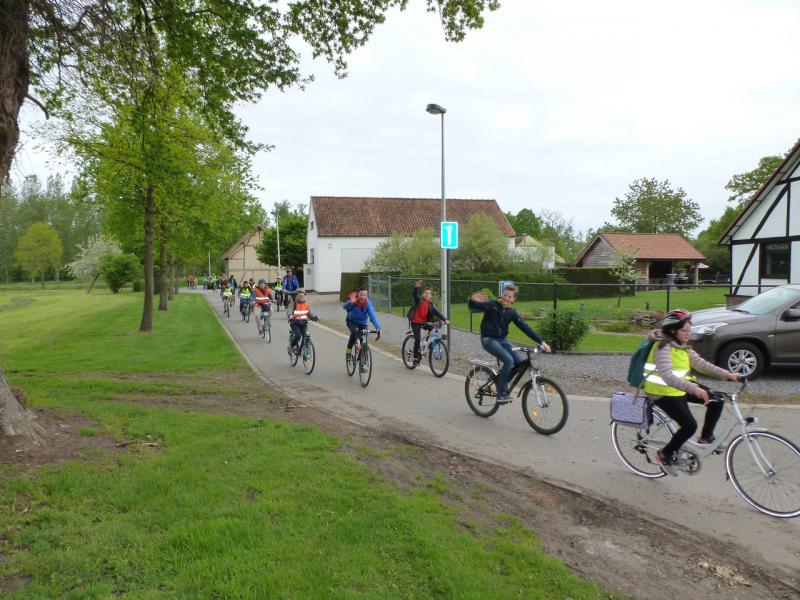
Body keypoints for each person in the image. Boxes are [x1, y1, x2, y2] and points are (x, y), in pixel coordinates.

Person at [643, 308, 740, 476]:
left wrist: (727, 374)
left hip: (679, 388)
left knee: (716, 400)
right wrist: (694, 389)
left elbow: (700, 364)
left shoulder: (682, 346)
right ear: (673, 330)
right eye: (684, 331)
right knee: (689, 425)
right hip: (661, 392)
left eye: (690, 330)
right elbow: (667, 376)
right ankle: (664, 454)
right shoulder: (662, 347)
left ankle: (706, 438)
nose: (688, 334)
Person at [468, 285, 551, 403]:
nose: (506, 298)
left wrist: (541, 342)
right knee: (508, 360)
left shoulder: (511, 312)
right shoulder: (492, 305)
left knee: (521, 362)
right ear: (502, 294)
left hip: (502, 340)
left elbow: (525, 328)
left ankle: (502, 380)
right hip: (488, 339)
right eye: (505, 295)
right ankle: (502, 393)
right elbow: (476, 306)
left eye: (510, 296)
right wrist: (472, 300)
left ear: (514, 299)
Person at [406, 280, 449, 366]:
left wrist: (445, 320)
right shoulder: (419, 300)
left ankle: (425, 342)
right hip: (415, 322)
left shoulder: (430, 304)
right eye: (425, 293)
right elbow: (415, 295)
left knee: (433, 329)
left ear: (430, 296)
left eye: (429, 293)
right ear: (423, 294)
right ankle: (415, 358)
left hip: (424, 322)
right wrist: (417, 286)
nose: (427, 294)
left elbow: (438, 313)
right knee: (417, 339)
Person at [343, 288, 382, 359]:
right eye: (361, 295)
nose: (363, 297)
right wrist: (351, 302)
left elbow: (373, 317)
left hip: (363, 323)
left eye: (365, 295)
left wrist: (378, 327)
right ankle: (348, 350)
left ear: (367, 296)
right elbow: (344, 306)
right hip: (352, 321)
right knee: (355, 332)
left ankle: (364, 362)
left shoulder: (368, 304)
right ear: (358, 295)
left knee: (364, 342)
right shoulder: (354, 301)